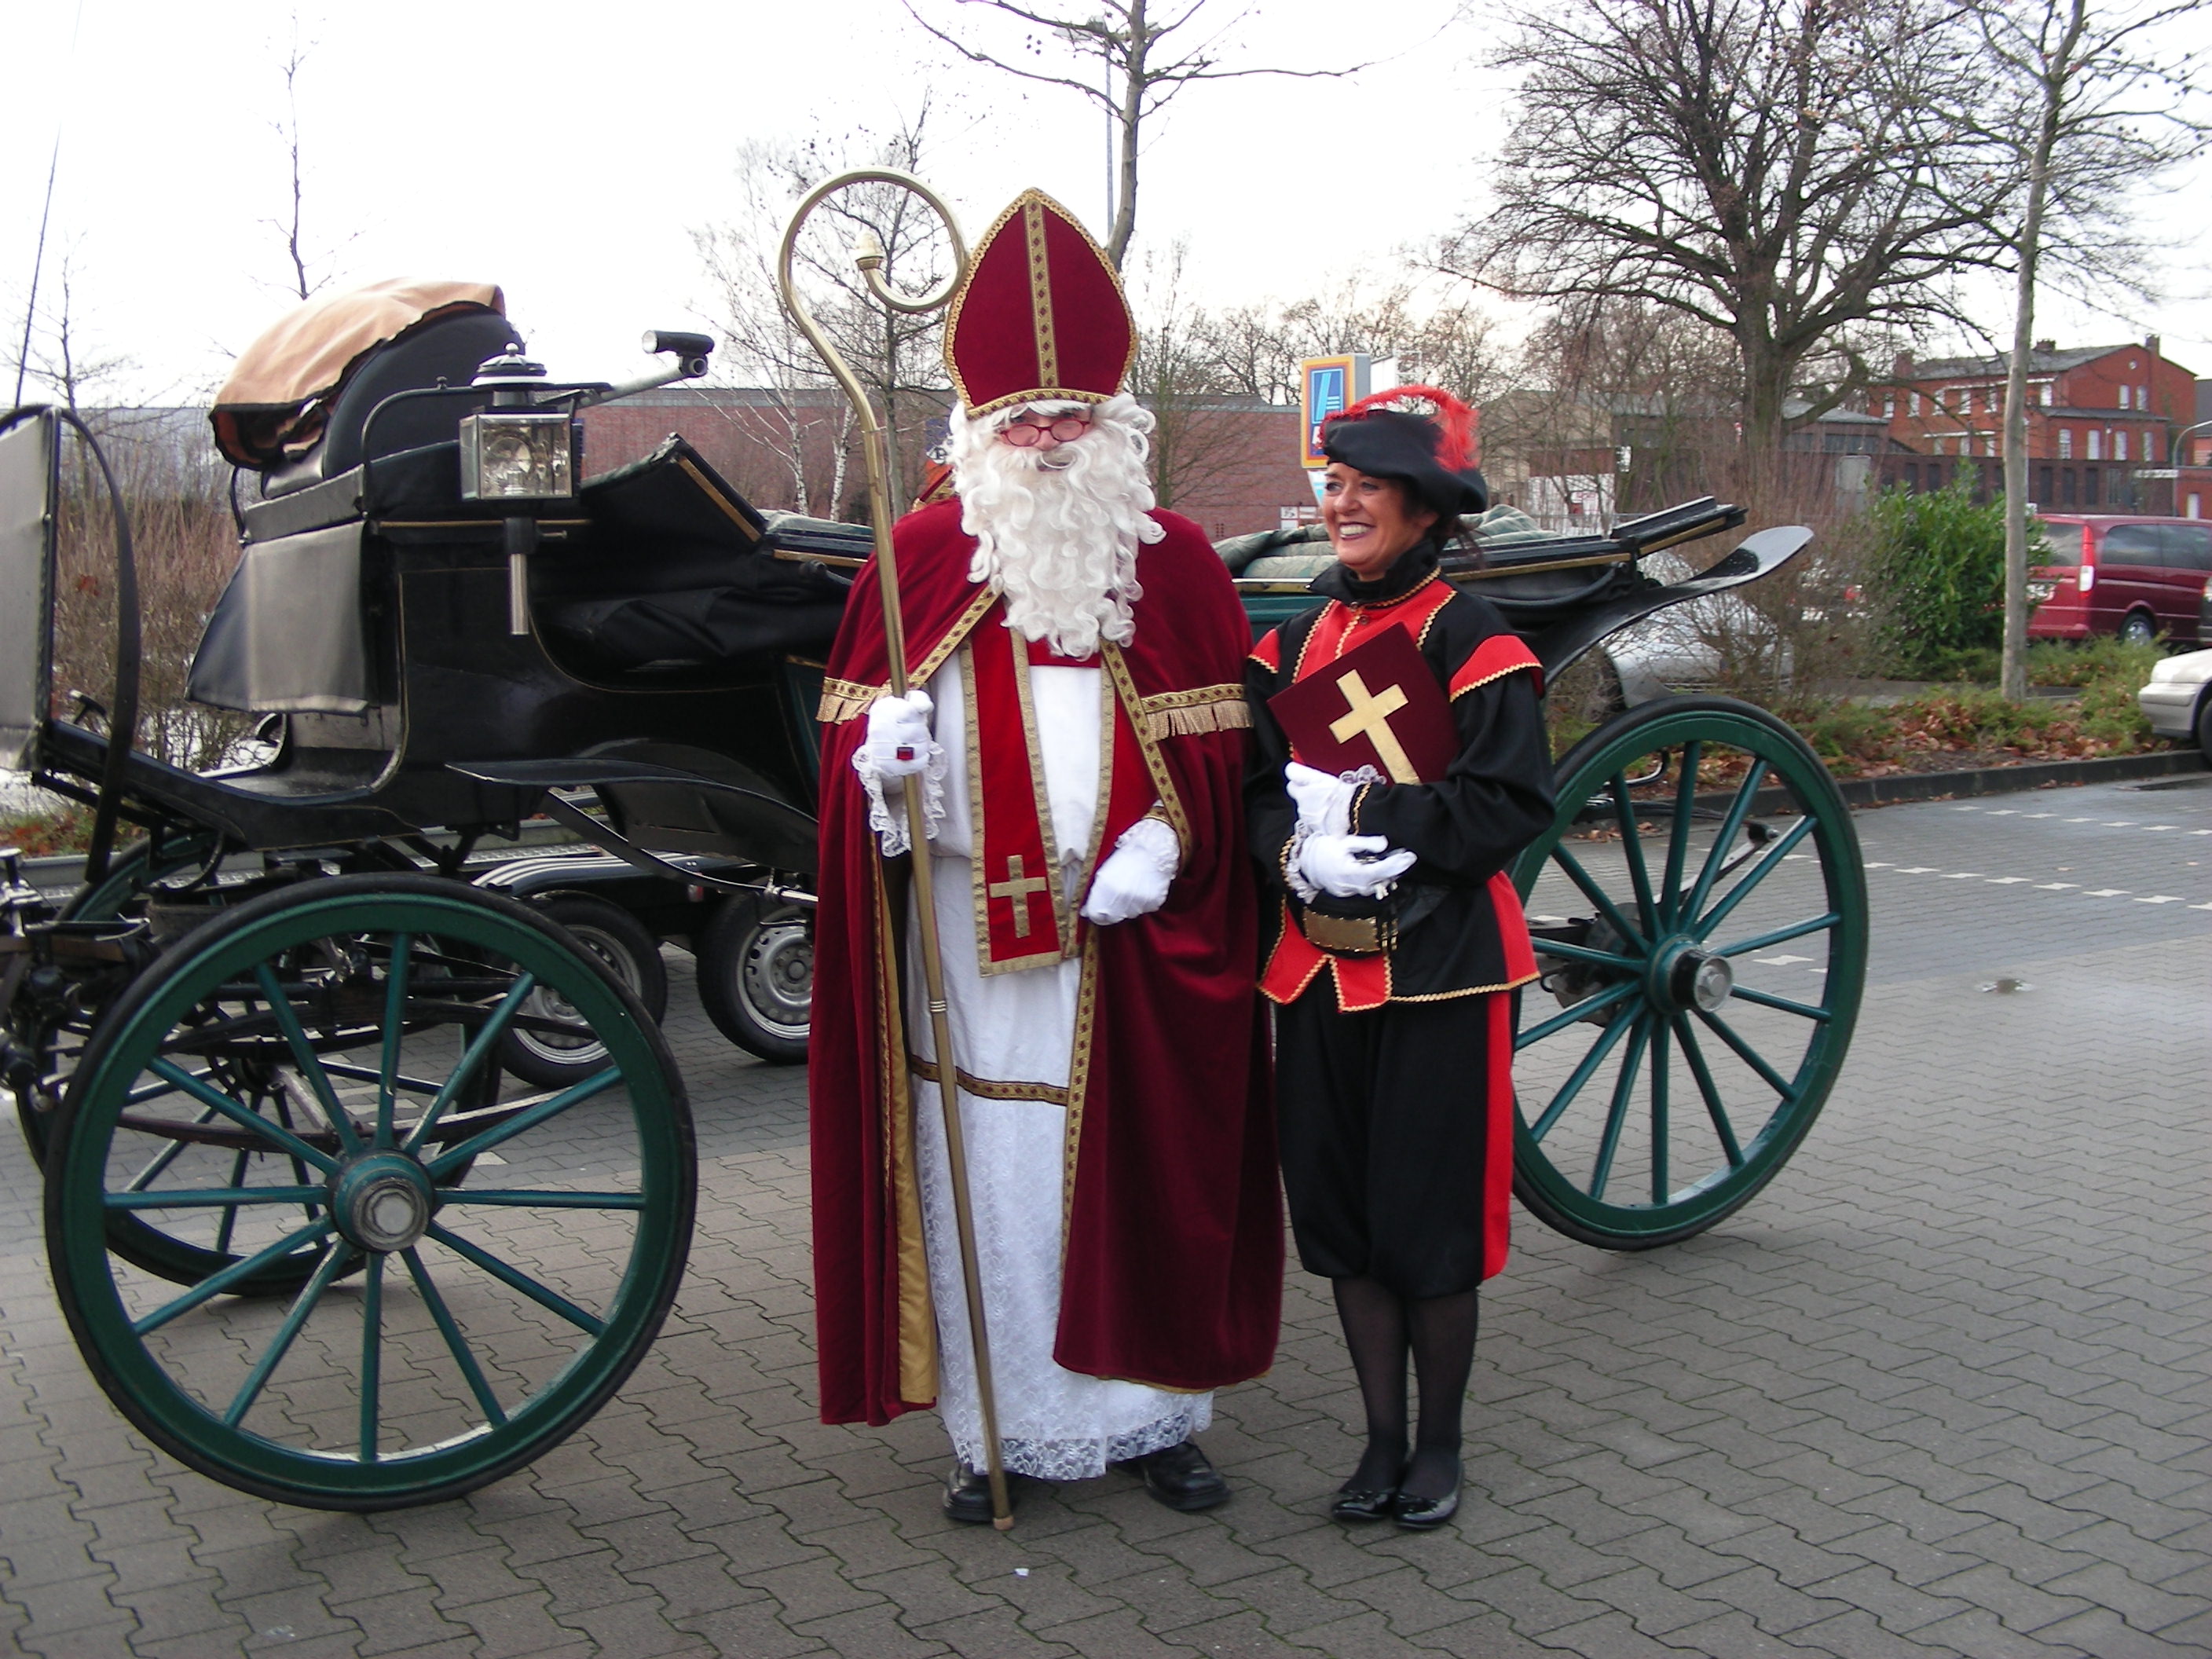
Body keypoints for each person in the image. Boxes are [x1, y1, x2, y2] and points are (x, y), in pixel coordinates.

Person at [808, 189, 1281, 1525]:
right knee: (999, 1179)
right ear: (978, 431)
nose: (1048, 438)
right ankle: (998, 1429)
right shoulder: (908, 570)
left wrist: (1164, 843)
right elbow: (855, 818)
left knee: (1154, 1161)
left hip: (1139, 934)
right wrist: (887, 779)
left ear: (1116, 424)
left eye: (1071, 415)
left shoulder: (1175, 567)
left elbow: (1219, 760)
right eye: (1023, 418)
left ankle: (1156, 1418)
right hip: (973, 949)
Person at [1243, 386, 1555, 1530]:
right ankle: (1378, 1441)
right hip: (1315, 964)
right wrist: (1298, 854)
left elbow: (1509, 804)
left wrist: (1377, 817)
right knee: (1343, 1215)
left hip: (1442, 970)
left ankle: (1440, 1448)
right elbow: (1248, 794)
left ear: (1425, 509)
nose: (1344, 504)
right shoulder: (1286, 640)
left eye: (1368, 486)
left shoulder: (1476, 638)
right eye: (1335, 485)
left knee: (1425, 1221)